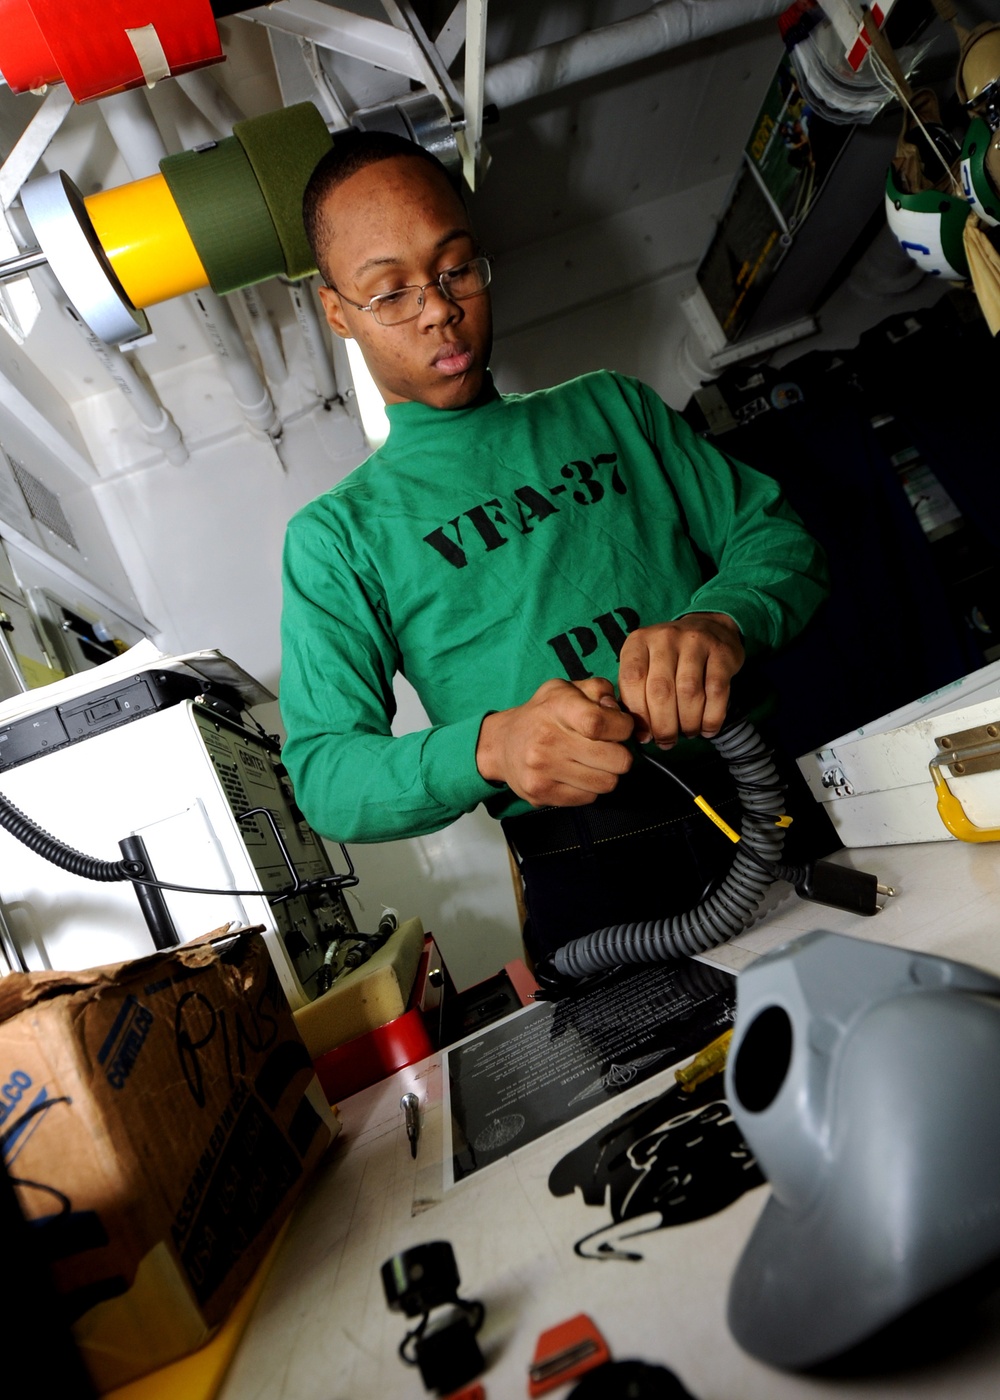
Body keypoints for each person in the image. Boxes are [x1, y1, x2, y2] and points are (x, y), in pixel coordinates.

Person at [280, 130, 829, 962]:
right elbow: (326, 774)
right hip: (592, 882)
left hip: (762, 795)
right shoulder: (336, 538)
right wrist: (492, 745)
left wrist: (722, 621)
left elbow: (778, 539)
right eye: (389, 294)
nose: (438, 308)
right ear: (336, 312)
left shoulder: (614, 409)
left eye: (456, 269)